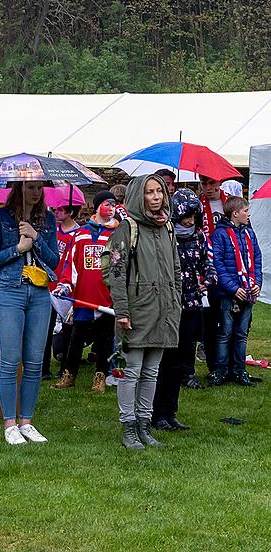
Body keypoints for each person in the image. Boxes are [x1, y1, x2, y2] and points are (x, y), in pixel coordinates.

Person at [101, 175, 181, 450]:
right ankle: (129, 428)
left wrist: (175, 300)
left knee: (151, 372)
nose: (157, 196)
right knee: (130, 372)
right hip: (136, 311)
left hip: (163, 311)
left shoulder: (167, 227)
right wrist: (122, 310)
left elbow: (176, 269)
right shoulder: (127, 229)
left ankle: (145, 426)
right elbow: (114, 271)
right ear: (139, 196)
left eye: (160, 191)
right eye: (150, 192)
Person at [0, 181, 59, 445]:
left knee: (35, 361)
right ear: (18, 189)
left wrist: (36, 238)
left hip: (38, 293)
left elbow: (54, 261)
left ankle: (27, 421)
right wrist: (17, 248)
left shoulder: (47, 219)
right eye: (30, 188)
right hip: (9, 291)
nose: (36, 192)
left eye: (39, 188)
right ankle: (9, 424)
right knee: (10, 360)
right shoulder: (0, 217)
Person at [152, 189, 215, 430]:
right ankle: (157, 413)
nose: (190, 221)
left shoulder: (198, 237)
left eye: (193, 216)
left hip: (191, 305)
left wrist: (206, 280)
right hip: (169, 306)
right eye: (186, 216)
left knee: (181, 361)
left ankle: (171, 411)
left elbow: (208, 264)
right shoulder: (165, 236)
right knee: (165, 360)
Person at [52, 190, 119, 393]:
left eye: (113, 204)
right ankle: (68, 374)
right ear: (97, 206)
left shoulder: (117, 234)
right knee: (75, 337)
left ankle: (100, 376)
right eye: (107, 204)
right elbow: (71, 264)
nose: (111, 208)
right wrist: (65, 284)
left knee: (104, 339)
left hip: (106, 298)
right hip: (82, 297)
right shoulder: (81, 234)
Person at [209, 196, 262, 387]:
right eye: (245, 211)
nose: (248, 214)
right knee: (224, 332)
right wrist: (233, 288)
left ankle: (239, 369)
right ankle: (220, 370)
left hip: (247, 291)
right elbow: (218, 265)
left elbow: (256, 259)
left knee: (241, 333)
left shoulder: (249, 233)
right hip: (227, 294)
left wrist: (257, 283)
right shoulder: (220, 235)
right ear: (235, 213)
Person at [43, 203, 81, 379]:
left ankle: (64, 368)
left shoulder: (79, 234)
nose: (55, 212)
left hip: (68, 288)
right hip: (50, 284)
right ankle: (43, 369)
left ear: (70, 212)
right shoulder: (53, 230)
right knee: (45, 328)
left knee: (68, 330)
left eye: (59, 210)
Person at [199, 175, 228, 377]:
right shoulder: (198, 205)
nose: (208, 188)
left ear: (219, 183)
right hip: (206, 266)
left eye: (211, 183)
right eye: (204, 183)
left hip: (227, 267)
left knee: (227, 318)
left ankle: (229, 363)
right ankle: (212, 364)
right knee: (208, 319)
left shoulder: (230, 203)